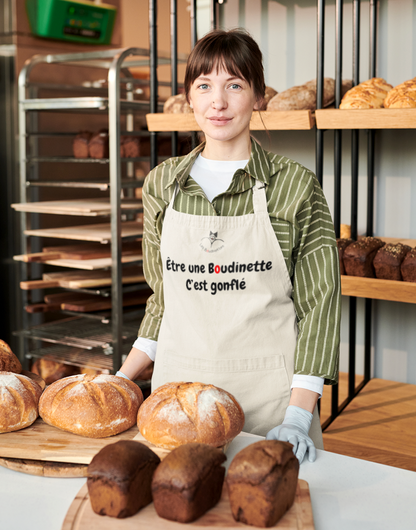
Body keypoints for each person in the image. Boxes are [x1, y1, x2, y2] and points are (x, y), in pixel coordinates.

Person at [117, 29, 341, 464]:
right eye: (204, 86)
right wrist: (122, 381)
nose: (217, 102)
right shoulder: (163, 184)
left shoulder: (294, 185)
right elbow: (163, 300)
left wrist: (297, 415)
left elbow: (320, 307)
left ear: (258, 95)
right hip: (175, 402)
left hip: (270, 403)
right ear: (190, 97)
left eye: (234, 85)